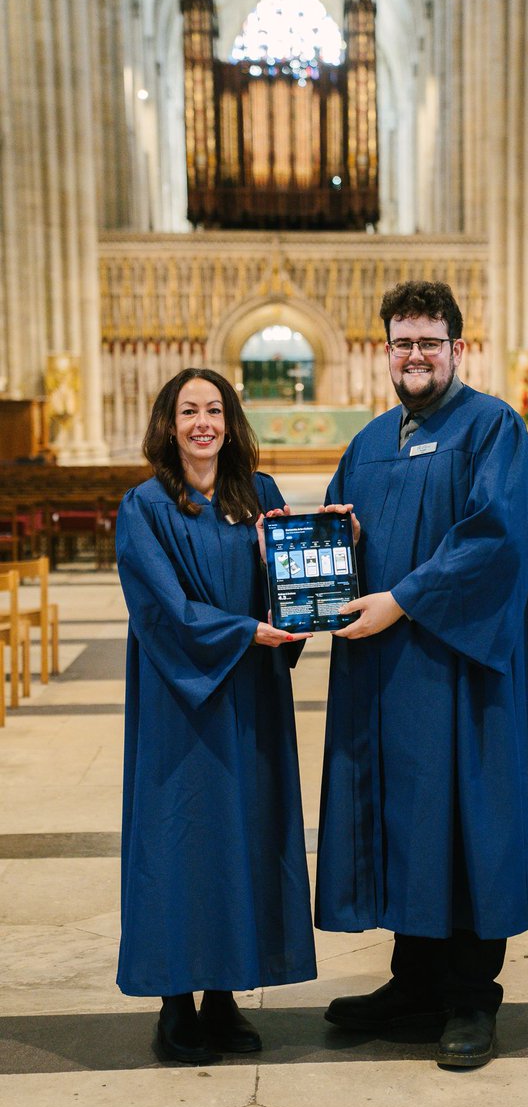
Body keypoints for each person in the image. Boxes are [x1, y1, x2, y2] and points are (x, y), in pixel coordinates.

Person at [316, 281, 528, 1069]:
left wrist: (402, 599)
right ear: (386, 351)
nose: (417, 355)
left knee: (468, 819)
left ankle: (470, 997)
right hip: (387, 679)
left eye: (431, 341)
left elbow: (497, 541)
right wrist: (316, 560)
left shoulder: (494, 428)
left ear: (457, 349)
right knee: (409, 819)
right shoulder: (366, 445)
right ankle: (413, 982)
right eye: (404, 342)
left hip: (461, 672)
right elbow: (336, 541)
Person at [115, 367, 316, 1065]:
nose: (203, 422)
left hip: (250, 697)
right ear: (168, 426)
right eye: (188, 411)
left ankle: (226, 997)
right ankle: (176, 1001)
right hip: (181, 700)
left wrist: (311, 554)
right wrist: (241, 632)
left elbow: (291, 583)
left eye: (214, 410)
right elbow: (160, 608)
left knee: (245, 839)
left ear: (230, 422)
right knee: (182, 843)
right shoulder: (144, 506)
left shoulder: (258, 495)